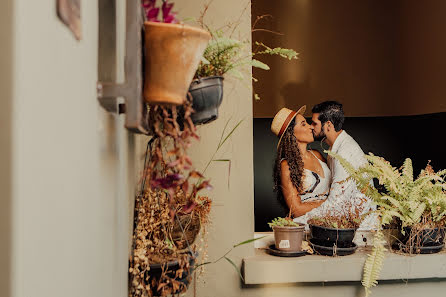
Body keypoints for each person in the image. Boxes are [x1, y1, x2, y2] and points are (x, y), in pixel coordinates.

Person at [293, 101, 376, 230]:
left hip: (361, 231)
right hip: (344, 225)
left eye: (315, 123)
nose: (311, 127)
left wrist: (297, 224)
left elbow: (335, 205)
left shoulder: (344, 153)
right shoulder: (334, 149)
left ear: (328, 125)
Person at [271, 106, 331, 218]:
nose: (311, 127)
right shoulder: (286, 166)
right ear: (291, 133)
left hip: (333, 220)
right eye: (304, 124)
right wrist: (331, 202)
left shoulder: (317, 155)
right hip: (307, 224)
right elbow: (296, 210)